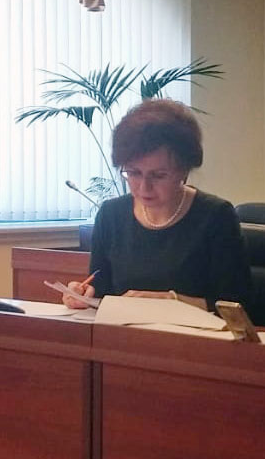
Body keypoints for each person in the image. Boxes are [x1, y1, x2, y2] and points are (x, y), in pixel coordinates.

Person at [62, 99, 252, 312]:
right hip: (124, 330)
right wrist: (83, 294)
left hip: (192, 332)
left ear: (183, 170)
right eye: (134, 173)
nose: (144, 187)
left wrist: (172, 301)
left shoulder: (216, 216)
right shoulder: (111, 215)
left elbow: (236, 305)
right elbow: (100, 289)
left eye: (159, 175)